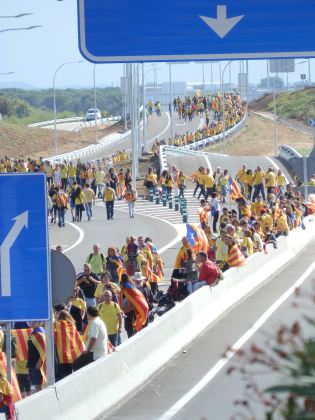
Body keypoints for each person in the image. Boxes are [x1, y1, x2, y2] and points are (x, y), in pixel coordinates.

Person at [27, 321, 46, 393]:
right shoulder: (34, 333)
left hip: (37, 364)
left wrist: (39, 362)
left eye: (34, 322)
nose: (31, 323)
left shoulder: (39, 333)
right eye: (31, 322)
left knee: (39, 387)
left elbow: (44, 350)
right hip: (32, 363)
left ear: (40, 323)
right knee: (36, 386)